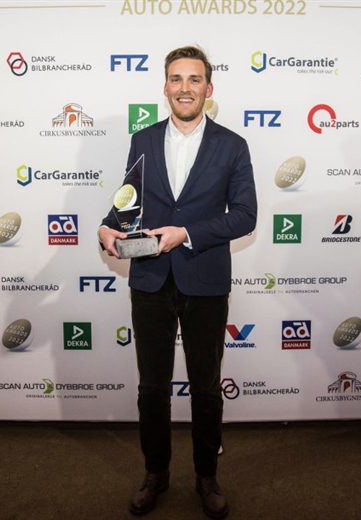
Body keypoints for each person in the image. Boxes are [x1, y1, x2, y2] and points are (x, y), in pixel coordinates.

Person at [99, 45, 257, 519]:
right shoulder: (143, 140)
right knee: (152, 387)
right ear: (165, 86)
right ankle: (156, 473)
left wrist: (185, 233)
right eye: (176, 78)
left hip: (205, 279)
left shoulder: (233, 145)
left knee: (206, 387)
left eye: (194, 79)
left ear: (208, 89)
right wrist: (107, 227)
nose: (184, 88)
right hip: (150, 278)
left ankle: (207, 476)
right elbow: (128, 204)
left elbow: (245, 216)